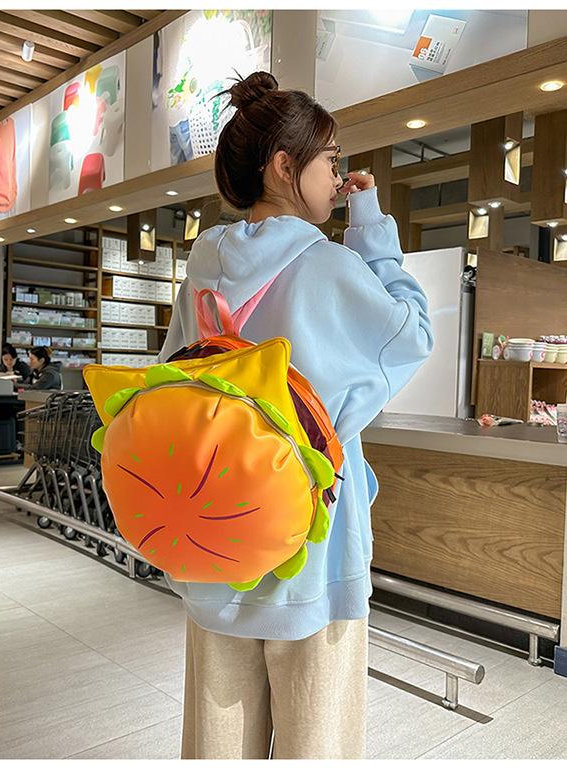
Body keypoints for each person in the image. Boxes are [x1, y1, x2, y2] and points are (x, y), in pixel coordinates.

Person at [158, 72, 433, 760]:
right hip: (311, 542)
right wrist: (371, 230)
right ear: (285, 166)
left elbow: (171, 377)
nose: (338, 177)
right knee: (318, 741)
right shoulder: (327, 265)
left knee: (219, 741)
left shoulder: (204, 264)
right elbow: (412, 333)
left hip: (212, 532)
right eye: (331, 160)